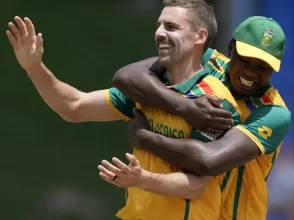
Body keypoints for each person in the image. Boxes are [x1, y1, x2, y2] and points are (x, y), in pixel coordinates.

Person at [5, 0, 240, 219]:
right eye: (158, 25)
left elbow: (197, 186)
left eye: (171, 26)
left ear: (199, 36)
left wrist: (142, 179)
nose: (159, 33)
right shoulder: (148, 90)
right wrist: (34, 67)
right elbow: (73, 107)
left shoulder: (215, 103)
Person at [110, 16, 292, 220]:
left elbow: (209, 161)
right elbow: (126, 77)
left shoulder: (273, 112)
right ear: (231, 48)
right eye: (245, 60)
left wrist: (144, 137)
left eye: (262, 67)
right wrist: (185, 107)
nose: (250, 72)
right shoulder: (207, 63)